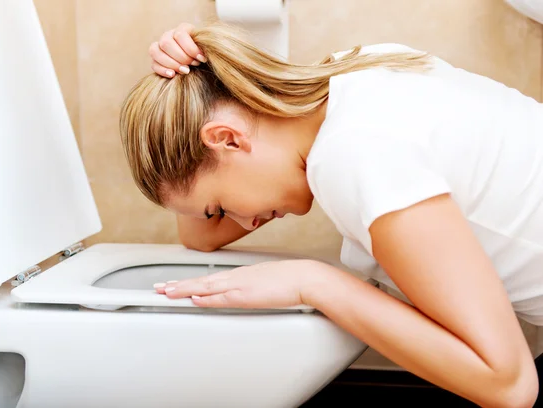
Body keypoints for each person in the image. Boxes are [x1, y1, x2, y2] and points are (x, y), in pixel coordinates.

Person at [119, 22, 543, 407]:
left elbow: (510, 386)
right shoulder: (350, 77)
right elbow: (201, 239)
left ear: (229, 140)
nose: (241, 223)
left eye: (220, 207)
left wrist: (316, 283)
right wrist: (184, 82)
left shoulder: (359, 154)